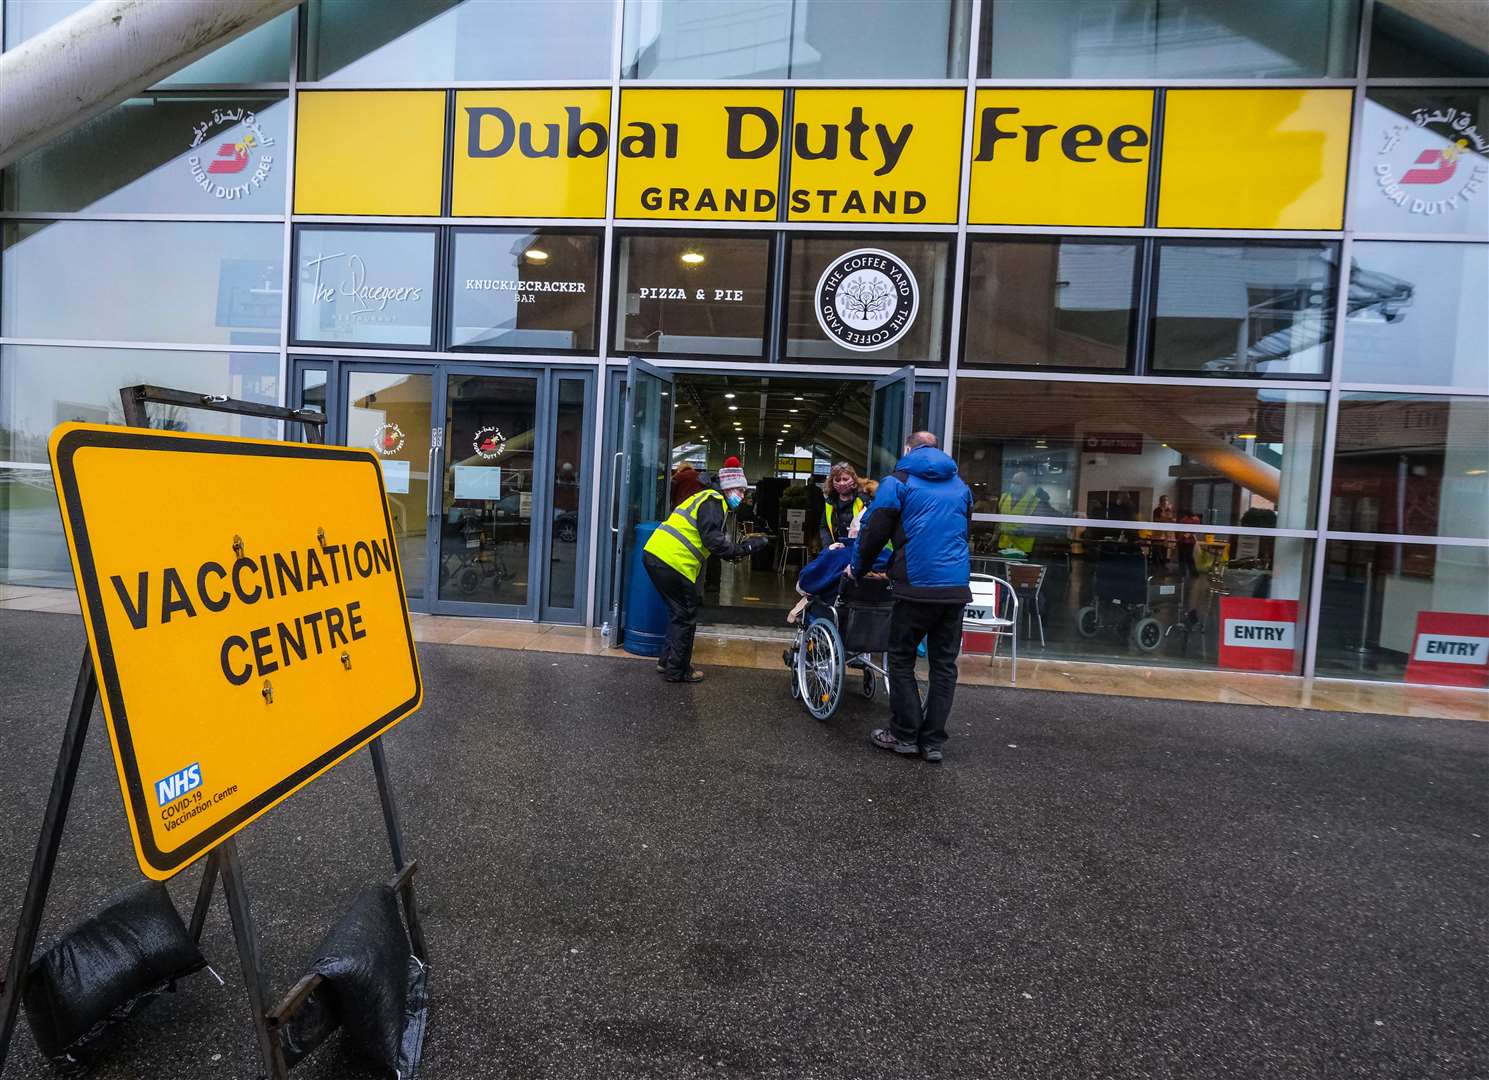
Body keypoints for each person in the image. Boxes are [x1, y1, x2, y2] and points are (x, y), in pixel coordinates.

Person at [849, 432, 972, 763]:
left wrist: (857, 569)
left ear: (908, 448)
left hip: (915, 586)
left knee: (901, 659)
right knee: (944, 666)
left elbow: (874, 532)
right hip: (955, 589)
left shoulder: (897, 481)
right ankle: (932, 742)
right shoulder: (960, 485)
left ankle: (904, 735)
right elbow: (962, 533)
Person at [643, 462, 766, 683]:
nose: (743, 495)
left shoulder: (706, 498)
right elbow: (714, 542)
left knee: (677, 613)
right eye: (740, 490)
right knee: (686, 615)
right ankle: (678, 671)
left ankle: (666, 662)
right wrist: (748, 547)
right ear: (729, 488)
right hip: (673, 561)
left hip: (656, 555)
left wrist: (737, 549)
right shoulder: (713, 501)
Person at [820, 462, 864, 550]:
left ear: (854, 479)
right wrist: (828, 546)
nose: (842, 483)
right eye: (837, 480)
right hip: (835, 550)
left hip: (857, 551)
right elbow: (824, 527)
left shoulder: (863, 501)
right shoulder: (830, 502)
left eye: (845, 479)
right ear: (832, 482)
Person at [995, 471, 1039, 554]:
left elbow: (1036, 527)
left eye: (1018, 483)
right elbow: (998, 522)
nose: (1014, 485)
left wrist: (1019, 532)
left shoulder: (1033, 501)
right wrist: (994, 539)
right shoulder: (1003, 497)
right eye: (1013, 482)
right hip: (1004, 546)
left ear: (1026, 485)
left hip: (1023, 548)